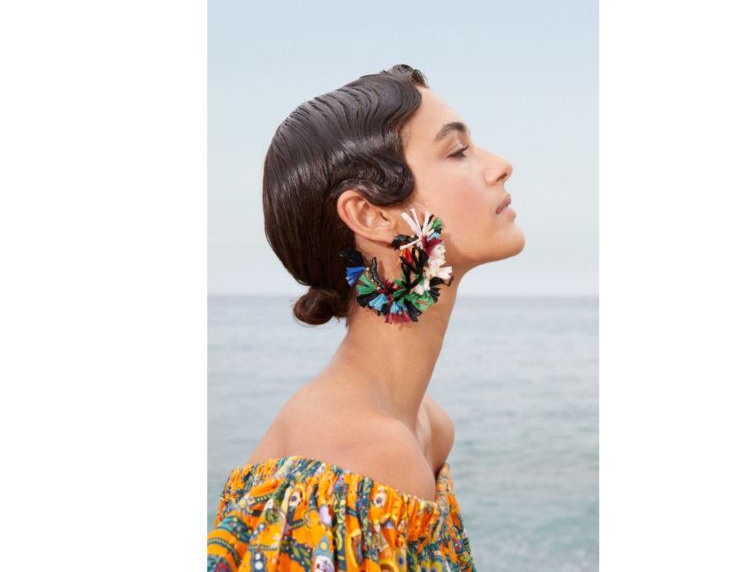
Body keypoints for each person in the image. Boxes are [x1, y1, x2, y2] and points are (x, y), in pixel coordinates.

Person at [207, 64, 524, 572]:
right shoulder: (363, 456)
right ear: (372, 215)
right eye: (457, 151)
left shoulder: (425, 426)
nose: (501, 165)